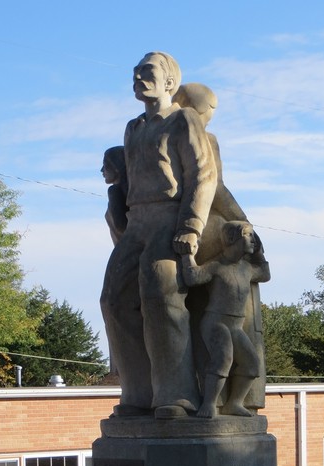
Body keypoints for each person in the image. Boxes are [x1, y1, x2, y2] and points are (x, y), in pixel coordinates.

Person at [100, 52, 217, 418]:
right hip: (137, 223)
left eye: (147, 71)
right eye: (135, 71)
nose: (138, 76)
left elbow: (203, 174)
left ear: (170, 82)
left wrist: (191, 225)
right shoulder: (133, 128)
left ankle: (176, 396)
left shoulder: (183, 120)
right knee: (114, 302)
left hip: (170, 218)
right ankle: (139, 393)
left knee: (161, 300)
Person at [173, 83, 269, 409]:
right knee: (219, 345)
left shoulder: (158, 133)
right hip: (205, 228)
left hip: (181, 231)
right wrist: (244, 221)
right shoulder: (204, 139)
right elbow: (214, 188)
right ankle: (213, 404)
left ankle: (230, 402)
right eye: (208, 112)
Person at [181, 221, 270, 418]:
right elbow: (193, 278)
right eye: (248, 235)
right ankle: (209, 404)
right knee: (223, 360)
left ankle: (234, 403)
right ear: (232, 238)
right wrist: (187, 255)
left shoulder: (246, 268)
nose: (253, 240)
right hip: (216, 322)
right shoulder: (217, 266)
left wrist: (260, 253)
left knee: (252, 364)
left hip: (236, 325)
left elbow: (265, 274)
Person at [101, 146, 128, 246]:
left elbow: (120, 226)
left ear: (116, 167)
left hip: (125, 249)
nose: (102, 170)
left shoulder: (114, 191)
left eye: (105, 164)